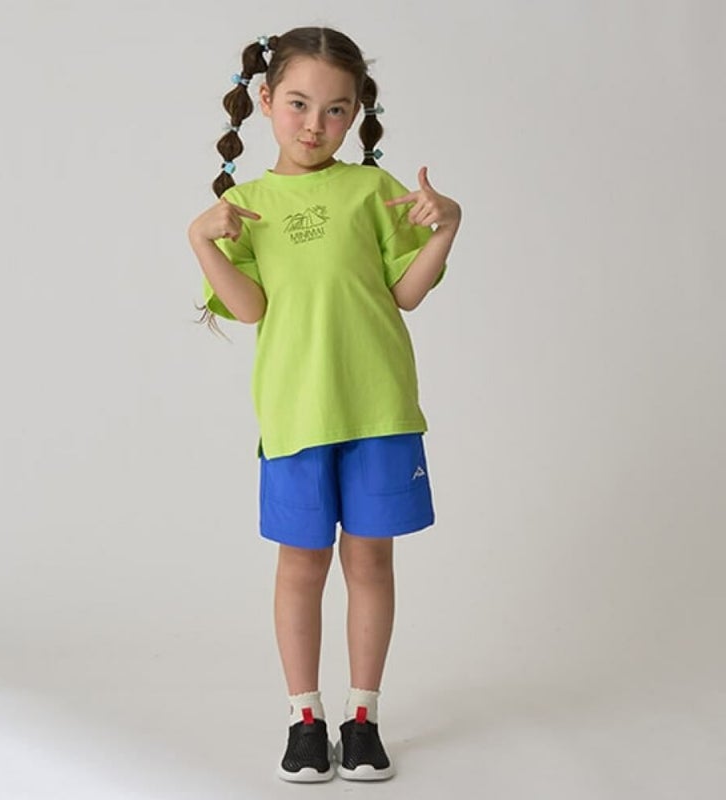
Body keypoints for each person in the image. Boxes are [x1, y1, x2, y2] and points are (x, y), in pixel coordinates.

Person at [187, 26, 462, 783]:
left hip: (380, 413)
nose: (315, 124)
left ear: (355, 114)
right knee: (301, 565)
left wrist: (447, 227)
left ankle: (363, 717)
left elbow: (406, 293)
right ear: (265, 99)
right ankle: (304, 718)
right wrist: (202, 241)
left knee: (370, 559)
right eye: (300, 104)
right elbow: (249, 309)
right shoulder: (245, 206)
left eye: (336, 109)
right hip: (296, 417)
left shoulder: (372, 191)